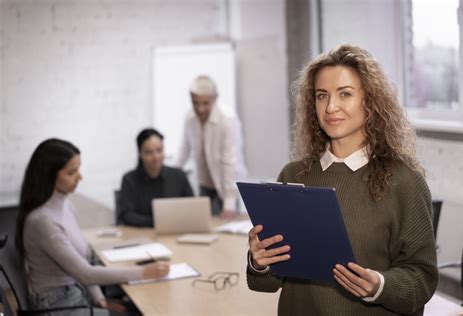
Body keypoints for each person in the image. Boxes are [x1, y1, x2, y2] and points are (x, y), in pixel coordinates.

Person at [246, 45, 438, 315]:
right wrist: (260, 262)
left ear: (370, 101)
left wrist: (380, 286)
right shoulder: (292, 175)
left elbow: (423, 278)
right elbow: (266, 283)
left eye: (344, 94)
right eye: (321, 96)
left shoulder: (405, 182)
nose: (330, 107)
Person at [15, 138, 170, 315]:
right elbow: (85, 273)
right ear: (49, 176)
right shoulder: (42, 221)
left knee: (136, 308)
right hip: (58, 305)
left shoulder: (65, 205)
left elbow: (84, 261)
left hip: (76, 292)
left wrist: (99, 299)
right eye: (72, 172)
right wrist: (144, 272)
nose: (80, 177)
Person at [176, 75, 247, 219]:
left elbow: (229, 162)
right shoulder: (190, 118)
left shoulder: (228, 119)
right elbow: (185, 149)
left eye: (205, 103)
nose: (200, 109)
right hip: (205, 184)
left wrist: (229, 204)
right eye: (195, 103)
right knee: (205, 225)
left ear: (215, 98)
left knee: (227, 226)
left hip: (227, 185)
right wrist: (171, 173)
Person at [119, 128, 193, 227]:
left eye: (159, 150)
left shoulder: (179, 176)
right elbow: (126, 215)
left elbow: (192, 208)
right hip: (142, 235)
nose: (156, 157)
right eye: (149, 152)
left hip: (175, 233)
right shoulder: (129, 180)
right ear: (140, 154)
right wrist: (157, 222)